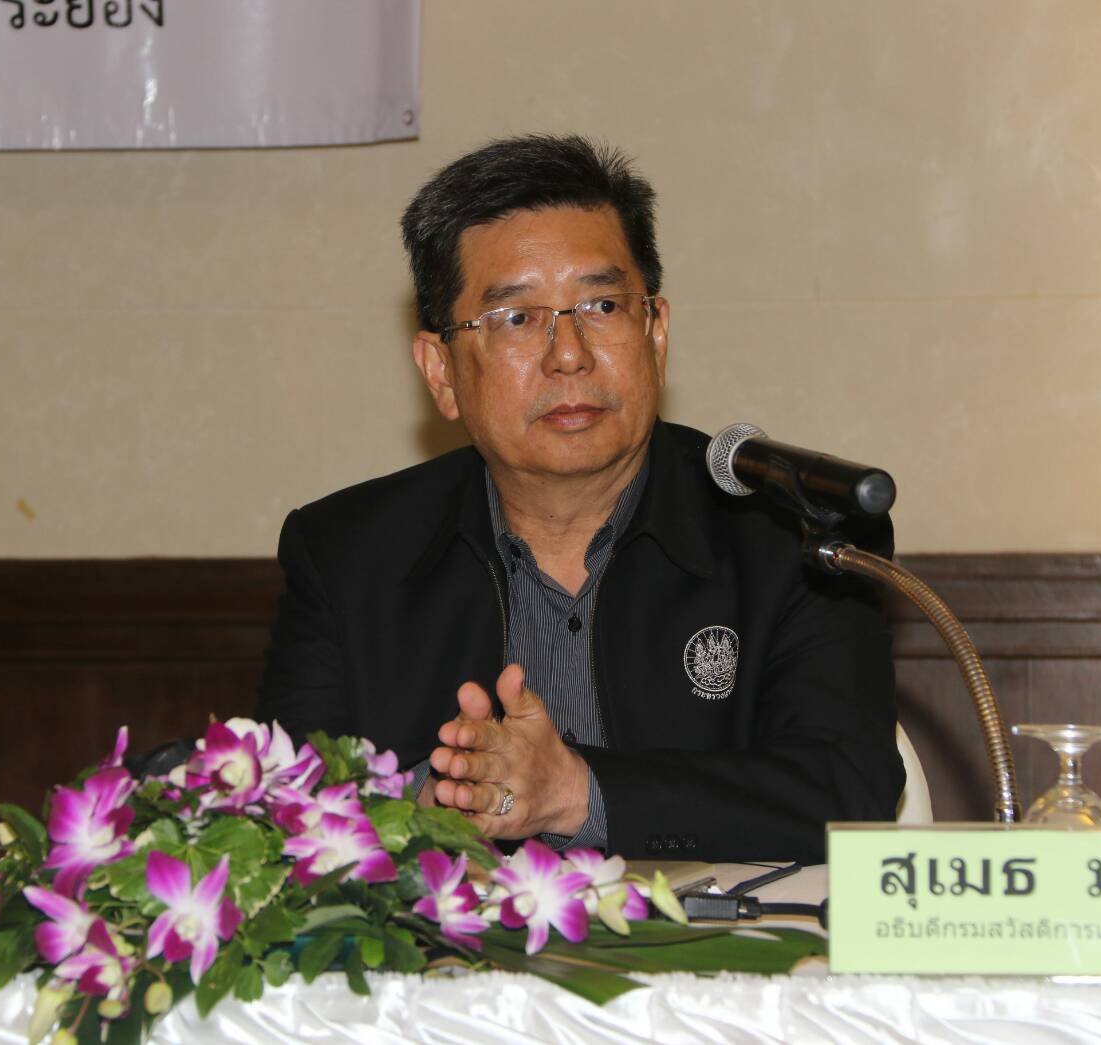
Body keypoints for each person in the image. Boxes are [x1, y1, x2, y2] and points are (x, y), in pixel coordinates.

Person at [258, 134, 903, 863]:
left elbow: (849, 787)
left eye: (602, 305)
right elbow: (287, 812)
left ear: (655, 333)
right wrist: (438, 806)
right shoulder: (346, 555)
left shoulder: (792, 533)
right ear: (440, 371)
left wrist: (574, 792)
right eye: (517, 317)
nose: (569, 354)